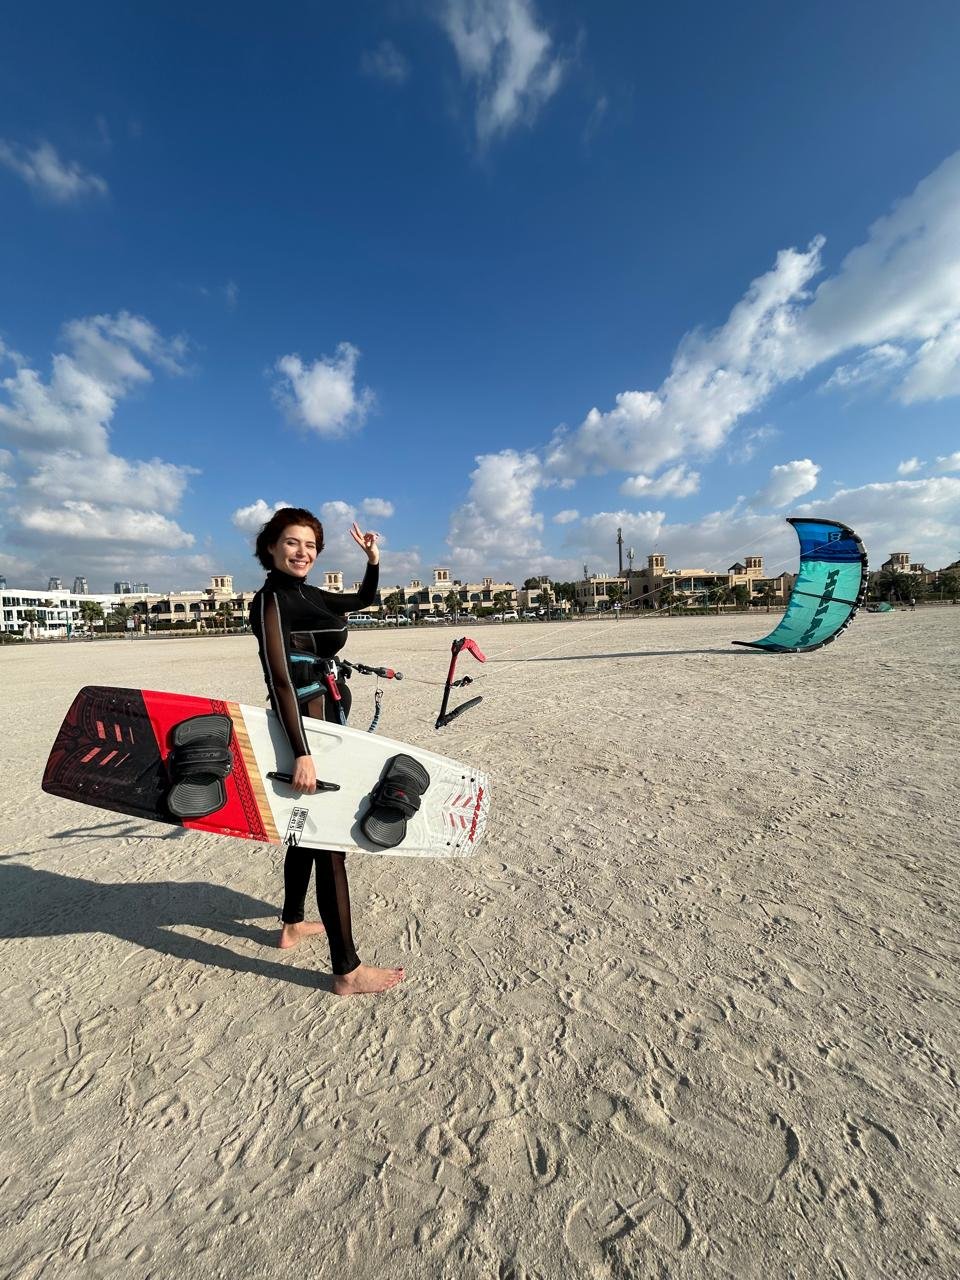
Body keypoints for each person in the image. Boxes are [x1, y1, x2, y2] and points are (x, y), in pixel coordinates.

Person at [250, 507, 404, 996]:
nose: (303, 553)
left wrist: (373, 558)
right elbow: (278, 679)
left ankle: (292, 924)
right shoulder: (270, 598)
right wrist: (302, 752)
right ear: (272, 546)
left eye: (311, 546)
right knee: (328, 840)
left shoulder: (308, 594)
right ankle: (347, 969)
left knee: (304, 830)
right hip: (306, 732)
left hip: (325, 724)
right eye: (292, 543)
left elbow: (364, 598)